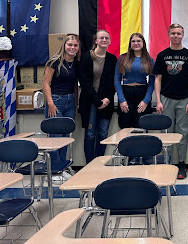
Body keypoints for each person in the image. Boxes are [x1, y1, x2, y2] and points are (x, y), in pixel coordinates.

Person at [154, 24, 188, 179]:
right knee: (166, 133)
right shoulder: (162, 55)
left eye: (179, 33)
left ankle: (181, 164)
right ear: (168, 34)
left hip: (184, 99)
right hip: (165, 98)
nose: (176, 36)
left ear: (182, 35)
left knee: (182, 133)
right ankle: (167, 163)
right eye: (173, 33)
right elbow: (157, 78)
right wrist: (158, 101)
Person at [78, 30, 117, 164]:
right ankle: (90, 164)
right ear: (96, 40)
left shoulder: (112, 59)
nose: (104, 40)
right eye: (101, 38)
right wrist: (97, 100)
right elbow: (84, 82)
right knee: (90, 135)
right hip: (89, 102)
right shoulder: (86, 57)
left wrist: (107, 99)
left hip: (106, 103)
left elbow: (114, 82)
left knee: (102, 134)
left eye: (107, 38)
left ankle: (100, 164)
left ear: (110, 41)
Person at [43, 33, 81, 168]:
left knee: (66, 136)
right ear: (64, 46)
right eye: (69, 45)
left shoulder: (76, 64)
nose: (72, 47)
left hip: (70, 101)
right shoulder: (54, 62)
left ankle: (63, 166)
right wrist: (50, 103)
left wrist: (76, 103)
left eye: (75, 45)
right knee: (56, 135)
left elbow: (75, 85)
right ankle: (54, 167)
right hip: (55, 100)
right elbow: (46, 83)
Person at [114, 32, 155, 129]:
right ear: (130, 44)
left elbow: (152, 81)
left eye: (138, 41)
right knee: (125, 125)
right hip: (126, 93)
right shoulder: (122, 58)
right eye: (133, 41)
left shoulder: (149, 60)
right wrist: (122, 100)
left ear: (143, 43)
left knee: (141, 125)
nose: (136, 43)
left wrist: (146, 100)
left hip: (142, 94)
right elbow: (117, 79)